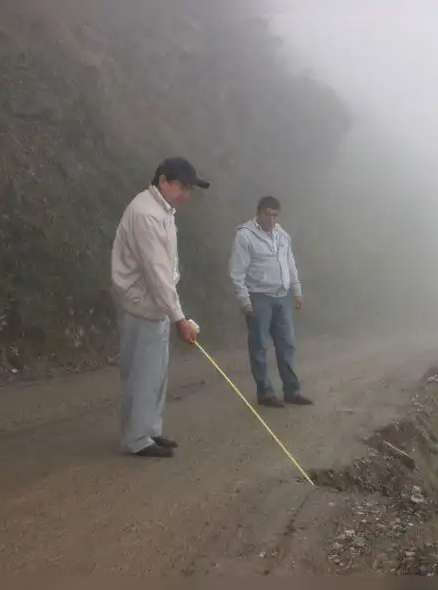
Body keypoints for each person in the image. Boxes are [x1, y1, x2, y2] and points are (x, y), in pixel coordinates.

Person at [110, 156, 208, 458]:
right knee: (142, 373)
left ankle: (149, 430)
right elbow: (156, 273)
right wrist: (180, 318)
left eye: (189, 188)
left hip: (156, 304)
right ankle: (137, 439)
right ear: (162, 180)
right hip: (141, 303)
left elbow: (163, 273)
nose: (185, 194)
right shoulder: (146, 214)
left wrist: (173, 313)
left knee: (156, 373)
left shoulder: (163, 210)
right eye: (181, 186)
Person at [228, 195, 312, 408]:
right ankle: (265, 392)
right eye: (268, 214)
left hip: (282, 296)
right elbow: (237, 271)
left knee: (287, 344)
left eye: (275, 215)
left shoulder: (282, 235)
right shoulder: (245, 236)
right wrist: (244, 300)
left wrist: (297, 290)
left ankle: (292, 390)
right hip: (259, 296)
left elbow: (290, 264)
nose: (272, 219)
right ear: (259, 212)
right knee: (259, 346)